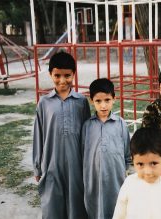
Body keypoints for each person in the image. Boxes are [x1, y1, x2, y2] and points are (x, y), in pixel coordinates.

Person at [32, 51, 90, 219]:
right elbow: (38, 135)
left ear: (73, 74)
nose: (62, 80)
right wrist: (37, 166)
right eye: (57, 75)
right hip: (51, 162)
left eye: (67, 75)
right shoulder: (44, 102)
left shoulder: (81, 102)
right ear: (51, 74)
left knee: (76, 204)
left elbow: (87, 135)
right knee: (52, 204)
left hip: (76, 163)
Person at [81, 78, 132, 219]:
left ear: (114, 99)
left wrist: (125, 169)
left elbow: (127, 150)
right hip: (93, 176)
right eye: (98, 101)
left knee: (116, 205)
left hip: (116, 175)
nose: (103, 106)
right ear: (92, 101)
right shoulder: (87, 126)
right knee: (95, 205)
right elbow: (83, 153)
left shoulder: (120, 123)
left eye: (107, 100)